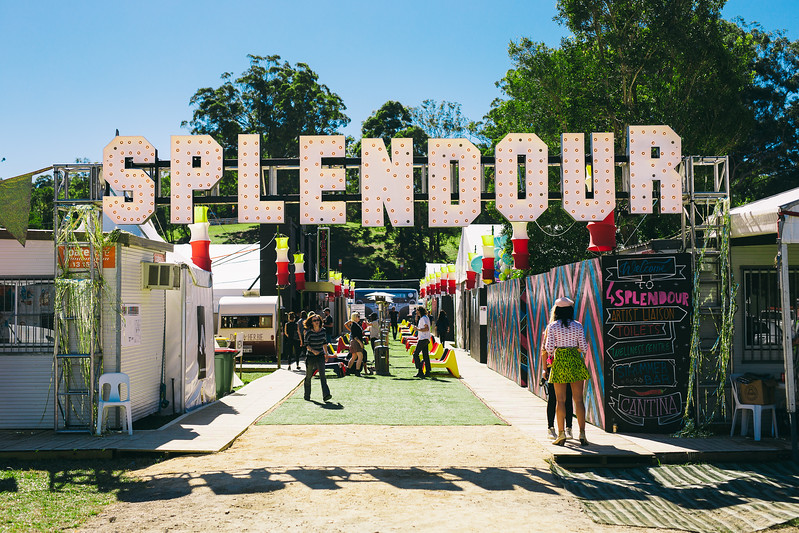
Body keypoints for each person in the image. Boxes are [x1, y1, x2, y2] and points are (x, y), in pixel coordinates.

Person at [544, 297, 590, 446]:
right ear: (570, 310)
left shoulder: (552, 326)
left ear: (556, 311)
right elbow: (584, 347)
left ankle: (561, 434)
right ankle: (582, 434)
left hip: (560, 361)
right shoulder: (578, 325)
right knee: (578, 400)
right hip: (575, 360)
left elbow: (549, 348)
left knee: (560, 400)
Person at [539, 313, 573, 440]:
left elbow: (544, 351)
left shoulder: (555, 327)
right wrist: (544, 369)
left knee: (561, 397)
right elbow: (544, 350)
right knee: (558, 397)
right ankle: (554, 428)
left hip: (558, 365)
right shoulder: (552, 328)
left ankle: (564, 428)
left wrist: (544, 368)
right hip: (555, 365)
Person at [303, 314, 332, 402]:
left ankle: (326, 395)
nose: (316, 322)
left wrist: (326, 354)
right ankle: (307, 395)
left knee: (323, 375)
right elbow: (306, 345)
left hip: (320, 355)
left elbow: (324, 342)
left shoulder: (323, 331)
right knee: (308, 376)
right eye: (314, 321)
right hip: (311, 356)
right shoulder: (308, 332)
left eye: (318, 320)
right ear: (311, 323)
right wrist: (313, 351)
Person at [412, 307, 431, 378]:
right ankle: (427, 371)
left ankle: (420, 371)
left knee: (415, 354)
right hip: (425, 338)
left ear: (419, 311)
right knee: (425, 355)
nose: (416, 312)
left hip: (423, 338)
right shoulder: (424, 318)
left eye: (417, 311)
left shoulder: (423, 318)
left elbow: (426, 328)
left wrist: (417, 329)